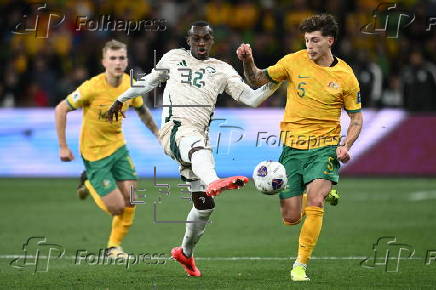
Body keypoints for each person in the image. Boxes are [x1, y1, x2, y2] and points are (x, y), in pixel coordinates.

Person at [106, 21, 280, 276]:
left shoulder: (222, 70)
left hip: (197, 140)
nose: (200, 43)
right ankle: (214, 180)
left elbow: (252, 98)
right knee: (196, 146)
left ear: (212, 41)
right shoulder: (173, 58)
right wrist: (120, 99)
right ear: (188, 40)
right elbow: (148, 82)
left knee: (204, 205)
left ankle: (185, 253)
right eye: (196, 39)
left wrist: (277, 80)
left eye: (205, 39)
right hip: (174, 130)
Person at [237, 14, 363, 281]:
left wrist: (345, 144)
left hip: (325, 147)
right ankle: (324, 190)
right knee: (291, 217)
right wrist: (248, 61)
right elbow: (257, 80)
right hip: (292, 148)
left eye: (315, 40)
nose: (310, 46)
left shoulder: (346, 76)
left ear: (330, 41)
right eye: (307, 40)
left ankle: (300, 265)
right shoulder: (293, 61)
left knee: (315, 201)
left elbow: (356, 118)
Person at [55, 39, 159, 258]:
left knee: (131, 199)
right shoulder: (91, 88)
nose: (118, 62)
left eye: (121, 57)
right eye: (113, 58)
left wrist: (158, 134)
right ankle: (87, 181)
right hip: (94, 154)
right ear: (104, 62)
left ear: (126, 60)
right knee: (117, 208)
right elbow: (60, 109)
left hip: (118, 147)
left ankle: (113, 247)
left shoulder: (130, 85)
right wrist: (63, 147)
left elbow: (142, 110)